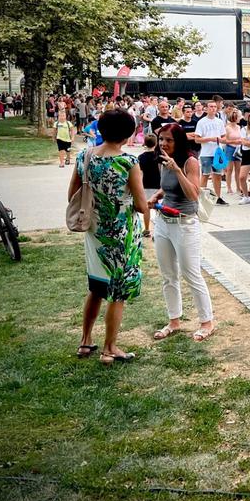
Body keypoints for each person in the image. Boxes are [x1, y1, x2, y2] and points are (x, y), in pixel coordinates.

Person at [68, 109, 147, 365]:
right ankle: (110, 348)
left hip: (95, 230)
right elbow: (141, 205)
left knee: (96, 287)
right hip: (122, 232)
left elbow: (73, 193)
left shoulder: (85, 156)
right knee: (118, 292)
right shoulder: (128, 162)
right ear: (128, 134)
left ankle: (85, 341)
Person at [149, 123, 216, 342]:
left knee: (191, 274)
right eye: (161, 140)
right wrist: (157, 196)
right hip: (163, 223)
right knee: (168, 275)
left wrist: (177, 170)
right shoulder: (163, 160)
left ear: (178, 141)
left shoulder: (190, 162)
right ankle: (174, 320)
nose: (164, 144)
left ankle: (207, 322)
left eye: (169, 140)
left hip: (185, 224)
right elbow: (168, 187)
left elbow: (193, 194)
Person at [196, 100, 227, 205]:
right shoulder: (201, 122)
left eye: (214, 107)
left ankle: (218, 197)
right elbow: (197, 139)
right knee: (205, 174)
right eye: (211, 107)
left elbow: (224, 136)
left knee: (218, 175)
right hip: (206, 152)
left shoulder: (219, 121)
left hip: (217, 152)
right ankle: (201, 198)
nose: (213, 108)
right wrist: (210, 139)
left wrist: (221, 140)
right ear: (206, 108)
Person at [138, 134, 161, 238]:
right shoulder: (158, 156)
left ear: (145, 143)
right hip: (158, 185)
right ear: (156, 143)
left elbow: (140, 172)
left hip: (146, 184)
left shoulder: (141, 157)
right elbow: (161, 171)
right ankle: (158, 231)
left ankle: (147, 229)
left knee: (147, 208)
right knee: (158, 209)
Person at [223, 108, 242, 196]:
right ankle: (229, 187)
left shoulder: (239, 127)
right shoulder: (227, 128)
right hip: (230, 148)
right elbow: (225, 140)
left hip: (237, 148)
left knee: (238, 169)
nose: (240, 119)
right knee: (229, 169)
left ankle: (238, 187)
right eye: (238, 117)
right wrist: (234, 142)